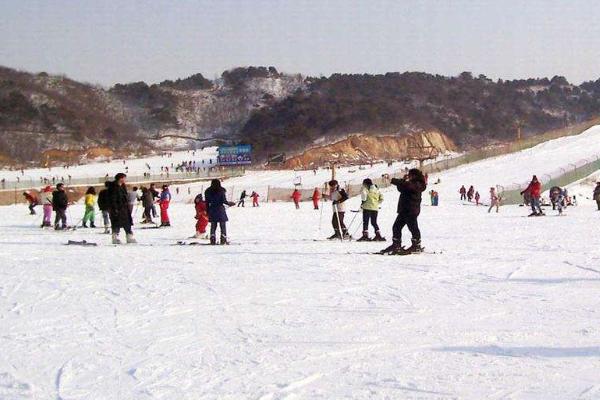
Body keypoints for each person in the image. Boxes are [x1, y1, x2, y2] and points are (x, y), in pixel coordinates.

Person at [380, 168, 426, 255]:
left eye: (410, 175)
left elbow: (408, 185)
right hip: (404, 209)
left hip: (411, 210)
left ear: (415, 175)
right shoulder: (410, 183)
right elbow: (402, 188)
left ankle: (416, 245)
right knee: (396, 227)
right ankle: (396, 245)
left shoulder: (418, 184)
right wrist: (399, 181)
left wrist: (393, 180)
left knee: (413, 227)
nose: (409, 176)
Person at [204, 179, 235, 245]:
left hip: (212, 209)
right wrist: (230, 203)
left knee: (213, 225)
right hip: (220, 209)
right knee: (222, 225)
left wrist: (207, 211)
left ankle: (212, 238)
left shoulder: (208, 191)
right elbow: (224, 201)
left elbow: (206, 202)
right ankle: (223, 239)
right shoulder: (221, 190)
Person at [107, 173, 136, 244]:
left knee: (127, 223)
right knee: (116, 223)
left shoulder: (123, 186)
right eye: (124, 178)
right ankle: (115, 238)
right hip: (116, 208)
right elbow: (112, 199)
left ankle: (129, 237)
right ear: (120, 178)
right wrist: (114, 208)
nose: (125, 180)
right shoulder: (113, 187)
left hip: (124, 208)